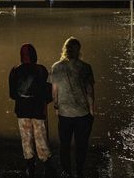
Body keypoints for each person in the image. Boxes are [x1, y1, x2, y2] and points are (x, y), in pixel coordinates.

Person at [51, 37, 95, 178]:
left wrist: (56, 107)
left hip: (64, 114)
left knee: (65, 145)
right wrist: (92, 111)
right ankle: (79, 170)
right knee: (81, 145)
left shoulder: (56, 67)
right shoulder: (86, 67)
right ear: (78, 50)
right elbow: (90, 91)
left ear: (65, 49)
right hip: (82, 114)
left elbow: (54, 90)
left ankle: (67, 171)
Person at [9, 43, 54, 178]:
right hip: (38, 110)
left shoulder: (15, 70)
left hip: (22, 110)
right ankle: (46, 164)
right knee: (41, 138)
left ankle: (30, 166)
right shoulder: (41, 70)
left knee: (26, 139)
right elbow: (48, 93)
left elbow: (12, 94)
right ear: (34, 55)